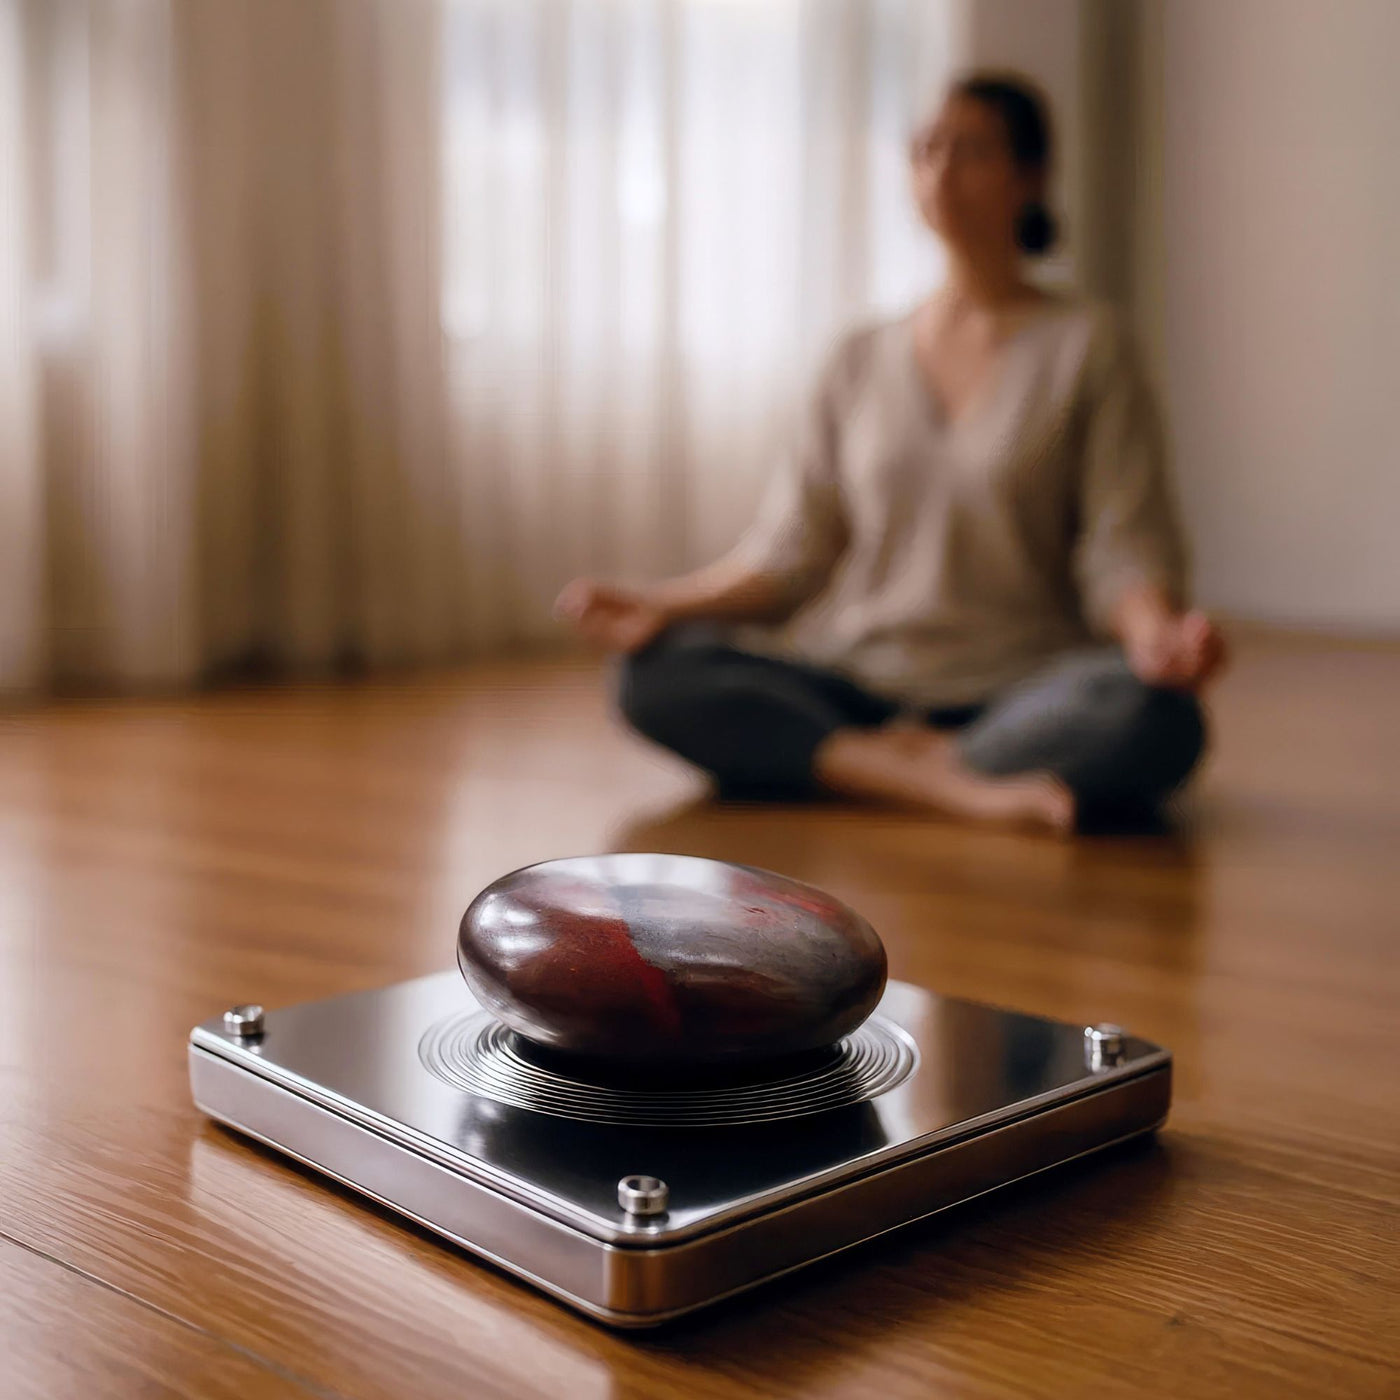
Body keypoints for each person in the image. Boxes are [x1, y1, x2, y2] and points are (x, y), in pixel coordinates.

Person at [555, 71, 1225, 835]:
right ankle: (947, 784)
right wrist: (661, 604)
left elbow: (1124, 547)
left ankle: (863, 767)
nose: (940, 170)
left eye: (970, 150)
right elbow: (790, 553)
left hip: (1017, 688)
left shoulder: (1089, 346)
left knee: (1158, 717)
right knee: (650, 675)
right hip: (857, 680)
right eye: (925, 149)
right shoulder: (858, 356)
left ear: (1031, 176)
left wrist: (1157, 638)